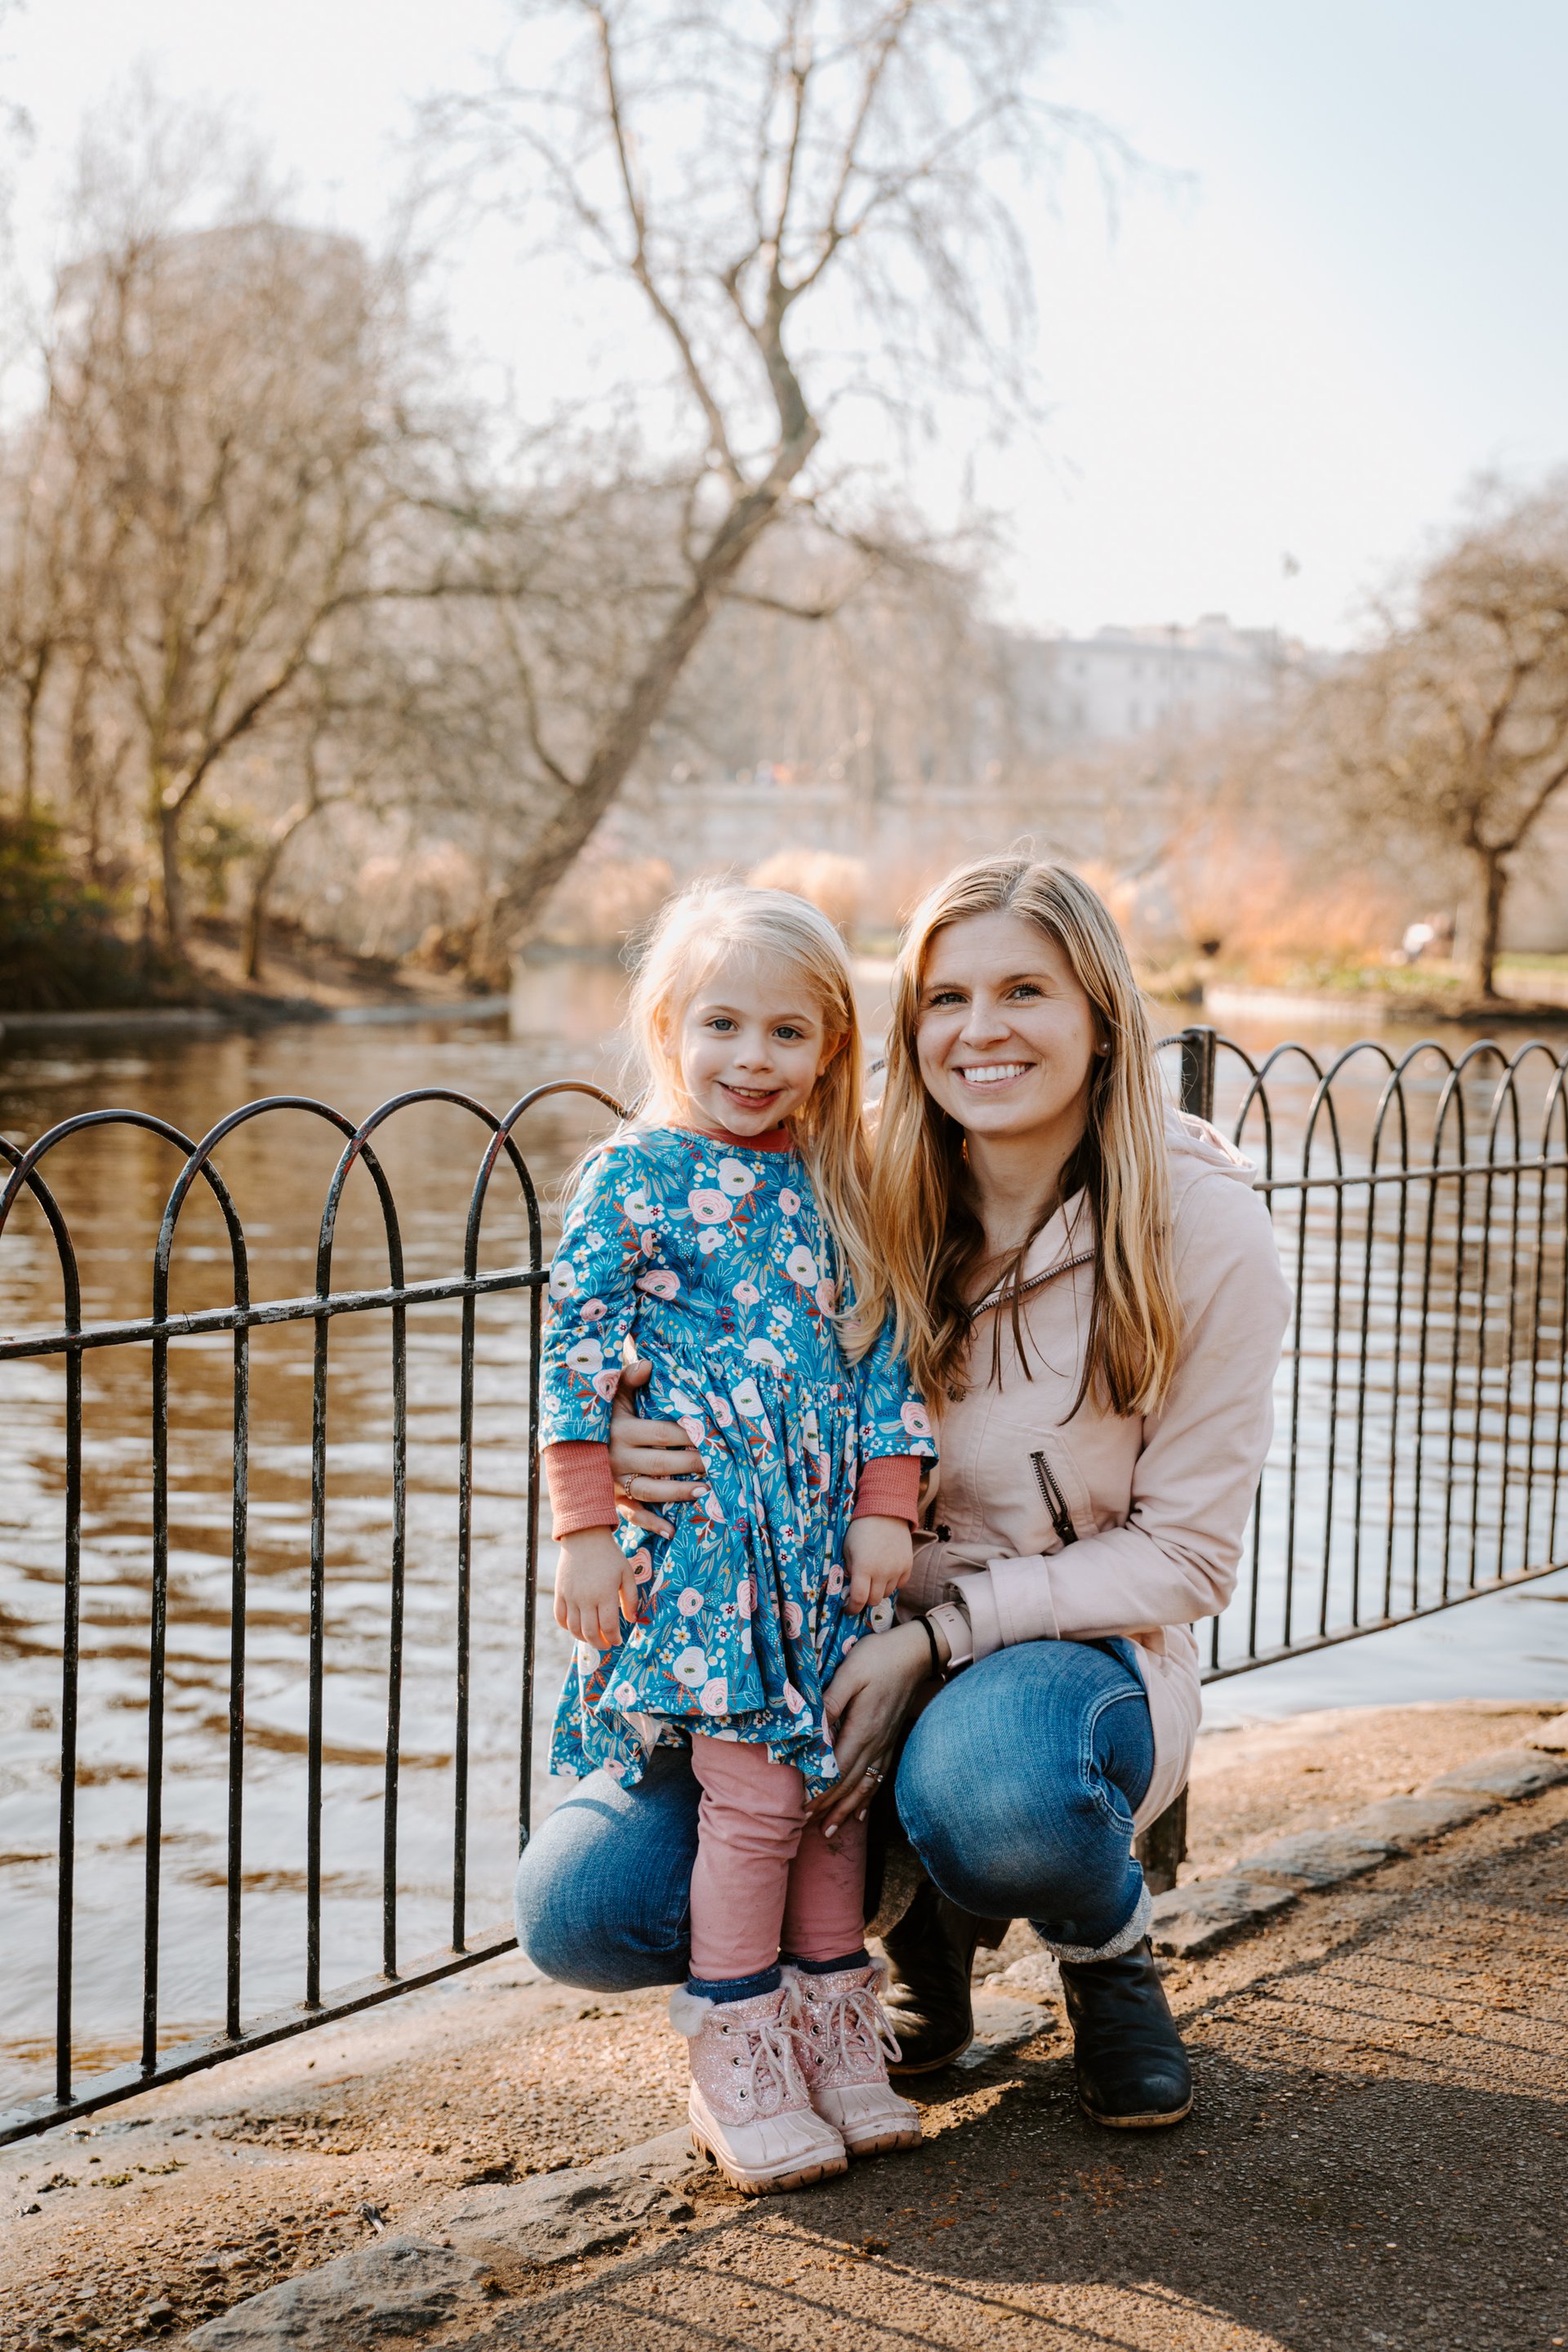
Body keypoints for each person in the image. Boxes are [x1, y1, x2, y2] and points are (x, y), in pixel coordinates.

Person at [518, 855, 1290, 2137]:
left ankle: (1103, 1947)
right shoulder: (848, 1179)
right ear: (905, 1027)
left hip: (1053, 1654)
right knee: (587, 1910)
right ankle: (907, 1946)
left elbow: (1189, 1560)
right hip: (814, 1629)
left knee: (998, 1793)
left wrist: (935, 1641)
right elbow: (629, 1333)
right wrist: (622, 1458)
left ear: (1102, 1017)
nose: (982, 1031)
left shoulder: (1199, 1225)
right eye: (947, 998)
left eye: (1025, 991)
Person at [536, 881, 937, 2195]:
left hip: (822, 1561)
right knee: (758, 1801)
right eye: (722, 1024)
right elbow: (577, 1361)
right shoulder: (632, 1174)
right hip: (711, 1560)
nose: (752, 1059)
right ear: (668, 1025)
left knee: (830, 1799)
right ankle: (737, 2047)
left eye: (786, 1032)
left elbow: (884, 1360)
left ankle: (833, 2029)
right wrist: (584, 1532)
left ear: (830, 1047)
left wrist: (886, 1507)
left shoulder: (837, 1183)